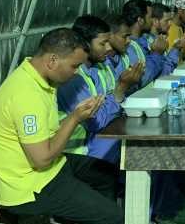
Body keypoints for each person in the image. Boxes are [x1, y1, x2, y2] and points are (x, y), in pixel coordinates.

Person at [0, 28, 123, 224]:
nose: (76, 72)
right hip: (28, 187)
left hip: (47, 169)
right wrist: (75, 118)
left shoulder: (39, 79)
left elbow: (45, 140)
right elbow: (42, 159)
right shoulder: (25, 95)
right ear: (51, 60)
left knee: (106, 174)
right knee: (112, 219)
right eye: (74, 66)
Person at [57, 15, 143, 164]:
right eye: (103, 43)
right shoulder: (73, 78)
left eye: (108, 42)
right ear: (85, 44)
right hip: (82, 152)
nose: (109, 48)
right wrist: (121, 89)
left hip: (103, 137)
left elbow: (115, 104)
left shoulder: (102, 66)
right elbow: (95, 121)